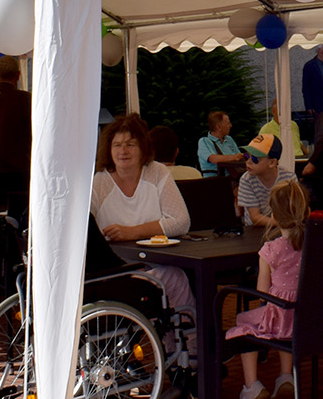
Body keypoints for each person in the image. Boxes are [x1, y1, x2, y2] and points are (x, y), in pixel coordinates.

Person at [89, 113, 194, 317]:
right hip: (116, 271)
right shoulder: (100, 182)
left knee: (179, 276)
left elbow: (181, 221)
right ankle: (188, 341)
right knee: (176, 278)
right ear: (109, 150)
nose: (123, 151)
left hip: (156, 261)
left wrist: (133, 232)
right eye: (117, 145)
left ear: (143, 148)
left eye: (130, 144)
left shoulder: (157, 172)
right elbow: (84, 225)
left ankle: (180, 341)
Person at [225, 178, 309, 399]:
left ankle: (252, 385)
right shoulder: (314, 244)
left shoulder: (271, 249)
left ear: (273, 213)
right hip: (307, 319)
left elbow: (262, 293)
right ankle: (285, 376)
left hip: (281, 319)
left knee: (244, 322)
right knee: (285, 317)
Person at [235, 134, 294, 226]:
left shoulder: (288, 178)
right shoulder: (246, 180)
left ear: (272, 162)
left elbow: (293, 210)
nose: (248, 161)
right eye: (246, 156)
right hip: (255, 231)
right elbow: (255, 217)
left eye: (255, 159)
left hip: (281, 228)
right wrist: (283, 224)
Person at [197, 110, 246, 178]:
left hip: (234, 177)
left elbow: (240, 158)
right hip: (216, 180)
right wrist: (235, 157)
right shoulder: (205, 141)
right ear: (219, 127)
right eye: (228, 123)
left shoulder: (229, 139)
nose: (230, 126)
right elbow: (213, 158)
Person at [301, 46, 323, 145]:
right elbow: (306, 87)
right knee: (319, 132)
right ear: (320, 50)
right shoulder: (310, 65)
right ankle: (318, 153)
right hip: (318, 104)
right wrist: (309, 105)